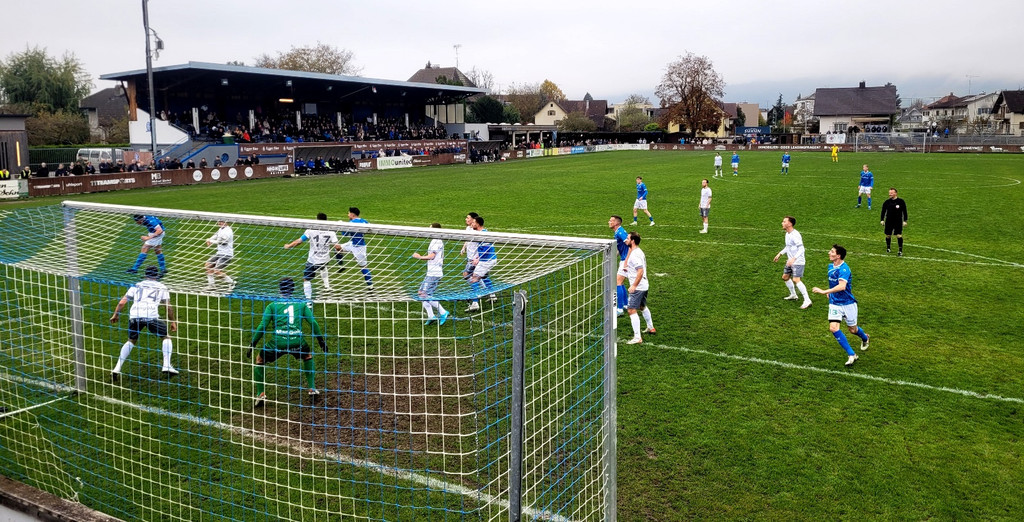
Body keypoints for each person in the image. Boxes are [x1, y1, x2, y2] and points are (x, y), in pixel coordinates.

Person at [248, 277, 328, 407]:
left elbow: (263, 326)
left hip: (277, 343)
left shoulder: (272, 305)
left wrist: (253, 343)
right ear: (293, 289)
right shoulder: (301, 304)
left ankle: (260, 394)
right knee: (307, 356)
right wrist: (321, 341)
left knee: (260, 360)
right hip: (297, 342)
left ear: (280, 289)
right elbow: (313, 322)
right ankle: (312, 388)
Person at [109, 266, 178, 381]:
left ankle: (117, 368)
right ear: (157, 276)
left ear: (145, 274)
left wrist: (115, 314)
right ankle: (166, 365)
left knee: (131, 340)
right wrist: (173, 321)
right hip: (151, 317)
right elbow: (168, 306)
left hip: (134, 316)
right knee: (166, 337)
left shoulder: (137, 285)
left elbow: (122, 303)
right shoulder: (161, 287)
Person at [812, 245, 870, 367]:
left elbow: (842, 286)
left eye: (832, 251)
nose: (829, 253)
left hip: (848, 303)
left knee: (852, 330)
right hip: (834, 303)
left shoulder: (844, 269)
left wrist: (825, 291)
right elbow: (833, 282)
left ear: (838, 256)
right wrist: (831, 294)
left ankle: (865, 337)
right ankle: (851, 354)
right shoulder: (830, 266)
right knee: (833, 328)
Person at [283, 213, 340, 301]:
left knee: (306, 279)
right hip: (325, 259)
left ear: (317, 220)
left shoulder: (311, 230)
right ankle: (327, 287)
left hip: (313, 260)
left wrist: (288, 246)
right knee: (323, 267)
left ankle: (308, 300)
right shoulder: (331, 231)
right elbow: (337, 246)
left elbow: (299, 241)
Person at [412, 223, 450, 325]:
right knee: (421, 293)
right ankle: (431, 316)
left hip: (434, 273)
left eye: (430, 229)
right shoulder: (436, 240)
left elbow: (432, 256)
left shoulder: (436, 241)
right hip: (432, 272)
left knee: (424, 294)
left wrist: (419, 257)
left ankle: (443, 312)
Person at [773, 216, 812, 309]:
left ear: (790, 224)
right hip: (790, 261)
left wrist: (794, 258)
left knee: (796, 280)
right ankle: (794, 295)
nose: (782, 223)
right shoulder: (787, 234)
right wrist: (780, 254)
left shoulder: (795, 235)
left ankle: (807, 300)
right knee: (785, 277)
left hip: (798, 261)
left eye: (784, 221)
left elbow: (801, 248)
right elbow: (788, 246)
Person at [623, 231, 655, 344]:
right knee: (642, 306)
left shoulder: (635, 255)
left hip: (638, 287)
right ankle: (651, 327)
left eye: (627, 238)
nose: (625, 240)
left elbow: (640, 271)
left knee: (631, 310)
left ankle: (637, 338)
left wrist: (634, 286)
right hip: (644, 285)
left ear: (632, 241)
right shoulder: (637, 251)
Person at [466, 215, 497, 312]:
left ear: (478, 224)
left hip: (487, 261)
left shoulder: (484, 234)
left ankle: (475, 302)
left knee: (473, 278)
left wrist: (478, 259)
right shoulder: (481, 232)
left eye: (474, 223)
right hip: (485, 260)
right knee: (481, 277)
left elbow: (487, 249)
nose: (472, 224)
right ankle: (491, 295)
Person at [335, 207, 373, 288]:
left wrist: (342, 226)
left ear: (352, 214)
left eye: (348, 213)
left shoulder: (351, 223)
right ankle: (341, 266)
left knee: (363, 267)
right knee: (337, 247)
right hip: (352, 244)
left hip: (359, 248)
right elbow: (370, 229)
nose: (348, 215)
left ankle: (371, 286)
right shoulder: (363, 221)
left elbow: (344, 234)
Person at [203, 220, 235, 291]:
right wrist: (209, 239)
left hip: (226, 254)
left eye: (222, 222)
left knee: (217, 271)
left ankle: (231, 283)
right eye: (219, 221)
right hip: (219, 253)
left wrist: (211, 241)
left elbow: (223, 242)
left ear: (227, 222)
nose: (220, 223)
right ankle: (212, 285)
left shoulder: (228, 231)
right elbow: (216, 235)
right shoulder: (221, 229)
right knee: (208, 265)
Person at [608, 215, 629, 315]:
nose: (609, 222)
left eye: (611, 221)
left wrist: (627, 261)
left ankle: (619, 309)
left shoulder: (620, 232)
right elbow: (620, 248)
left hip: (626, 260)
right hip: (626, 259)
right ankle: (625, 304)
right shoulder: (618, 232)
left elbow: (629, 243)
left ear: (616, 223)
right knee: (621, 282)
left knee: (618, 283)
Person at [880, 187, 908, 256]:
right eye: (889, 193)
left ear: (895, 193)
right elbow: (883, 211)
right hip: (889, 221)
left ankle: (900, 250)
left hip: (898, 221)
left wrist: (905, 220)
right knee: (888, 235)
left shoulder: (901, 201)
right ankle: (888, 248)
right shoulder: (887, 202)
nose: (890, 194)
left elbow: (905, 211)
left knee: (899, 235)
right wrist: (882, 220)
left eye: (891, 193)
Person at [459, 212, 480, 281]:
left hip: (474, 258)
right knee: (481, 276)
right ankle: (489, 290)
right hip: (470, 256)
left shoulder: (478, 231)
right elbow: (467, 240)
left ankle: (477, 291)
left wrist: (478, 257)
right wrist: (463, 248)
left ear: (474, 220)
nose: (466, 219)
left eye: (468, 218)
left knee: (466, 275)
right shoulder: (468, 228)